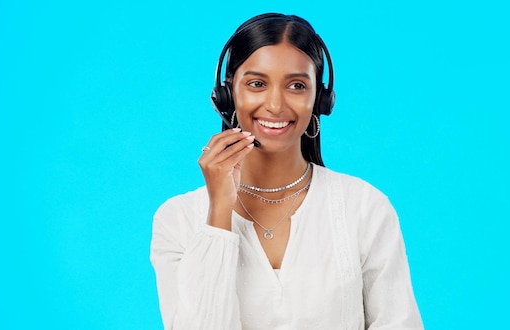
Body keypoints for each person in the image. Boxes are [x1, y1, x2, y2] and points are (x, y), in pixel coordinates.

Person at [150, 13, 424, 329]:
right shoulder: (177, 219)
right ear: (227, 95)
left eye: (296, 85)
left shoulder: (364, 208)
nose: (276, 105)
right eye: (257, 83)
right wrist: (220, 214)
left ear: (319, 99)